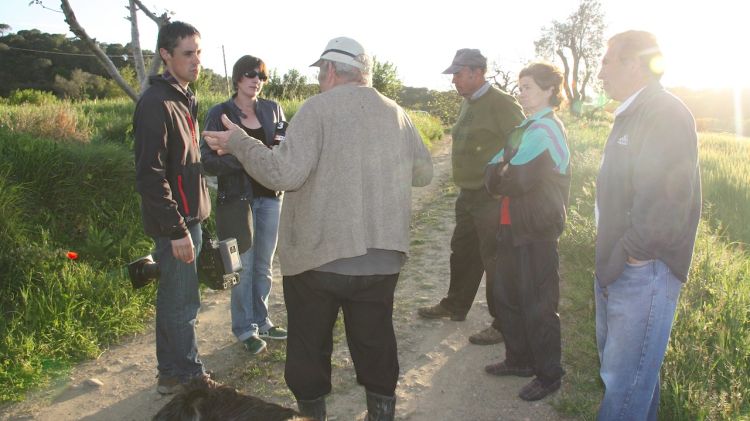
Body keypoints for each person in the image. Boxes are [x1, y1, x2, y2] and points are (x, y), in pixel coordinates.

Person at [203, 36, 433, 421]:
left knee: (309, 349)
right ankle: (381, 413)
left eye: (319, 72)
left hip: (318, 260)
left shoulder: (316, 110)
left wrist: (241, 144)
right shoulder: (397, 112)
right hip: (381, 259)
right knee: (375, 342)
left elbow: (284, 174)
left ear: (329, 70)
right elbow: (424, 173)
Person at [595, 30, 701, 420]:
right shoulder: (633, 113)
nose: (600, 73)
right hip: (622, 268)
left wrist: (630, 256)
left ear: (634, 63)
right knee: (634, 381)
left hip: (641, 272)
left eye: (606, 61)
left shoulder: (664, 113)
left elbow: (667, 202)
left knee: (623, 387)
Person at [417, 48, 525, 345]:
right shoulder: (468, 102)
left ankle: (503, 323)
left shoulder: (502, 103)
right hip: (467, 193)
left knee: (495, 259)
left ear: (477, 73)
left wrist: (500, 179)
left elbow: (521, 143)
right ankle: (455, 305)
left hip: (490, 196)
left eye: (458, 74)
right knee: (462, 251)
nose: (453, 80)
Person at [132, 21, 213, 394]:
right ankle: (190, 377)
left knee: (173, 298)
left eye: (199, 52)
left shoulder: (184, 97)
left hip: (188, 217)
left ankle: (170, 374)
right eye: (188, 53)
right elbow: (150, 175)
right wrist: (178, 229)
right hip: (176, 223)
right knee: (183, 304)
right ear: (166, 55)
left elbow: (181, 163)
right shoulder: (155, 103)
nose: (197, 60)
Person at [483, 62, 570, 401]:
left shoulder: (546, 130)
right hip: (511, 226)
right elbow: (490, 175)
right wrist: (502, 169)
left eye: (529, 86)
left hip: (537, 230)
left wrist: (504, 169)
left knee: (539, 305)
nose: (521, 92)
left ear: (549, 90)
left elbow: (516, 180)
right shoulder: (523, 127)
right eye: (520, 86)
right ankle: (518, 360)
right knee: (508, 297)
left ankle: (549, 375)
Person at [200, 55, 288, 356]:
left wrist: (270, 153)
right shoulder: (220, 112)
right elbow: (208, 160)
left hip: (270, 196)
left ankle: (263, 321)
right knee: (243, 267)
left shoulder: (272, 108)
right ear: (238, 78)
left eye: (262, 76)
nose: (257, 81)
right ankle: (244, 329)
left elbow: (281, 147)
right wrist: (245, 158)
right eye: (251, 74)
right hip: (237, 201)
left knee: (264, 265)